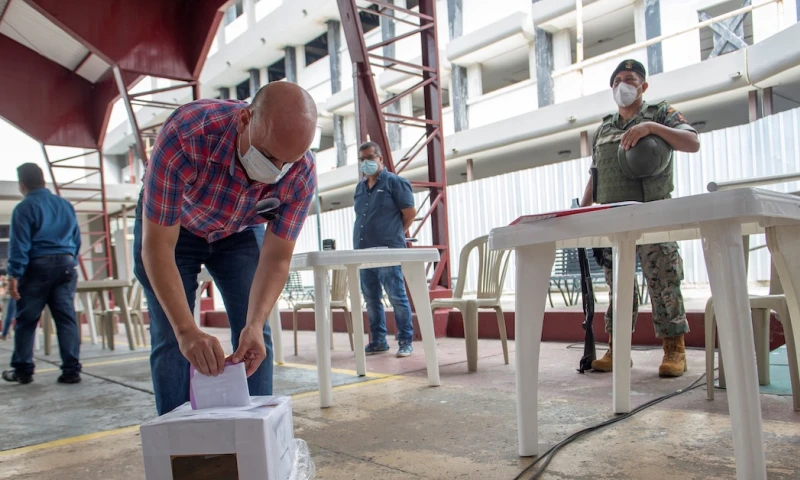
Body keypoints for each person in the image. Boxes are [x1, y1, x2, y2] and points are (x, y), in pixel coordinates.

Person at [135, 82, 318, 415]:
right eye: (268, 157)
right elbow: (158, 246)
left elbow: (277, 258)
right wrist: (187, 330)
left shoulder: (302, 174)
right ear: (245, 120)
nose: (274, 173)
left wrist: (255, 322)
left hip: (239, 230)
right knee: (171, 335)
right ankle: (178, 438)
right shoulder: (188, 133)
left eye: (287, 163)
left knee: (255, 333)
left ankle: (256, 430)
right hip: (175, 225)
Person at [579, 59, 700, 378]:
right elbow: (596, 174)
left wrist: (651, 129)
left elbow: (692, 142)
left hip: (653, 213)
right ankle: (617, 349)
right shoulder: (604, 128)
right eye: (617, 80)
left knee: (663, 280)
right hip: (614, 218)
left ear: (643, 86)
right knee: (618, 287)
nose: (623, 85)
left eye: (630, 79)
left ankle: (674, 349)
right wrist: (580, 210)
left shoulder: (660, 114)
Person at [2, 163, 82, 385]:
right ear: (43, 180)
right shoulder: (65, 205)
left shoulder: (24, 208)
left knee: (27, 320)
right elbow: (76, 239)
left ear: (22, 184)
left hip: (37, 267)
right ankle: (71, 371)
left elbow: (19, 246)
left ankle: (23, 370)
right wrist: (69, 262)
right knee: (66, 319)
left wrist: (13, 276)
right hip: (66, 266)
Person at [353, 142, 416, 357]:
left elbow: (409, 214)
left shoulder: (395, 182)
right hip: (363, 252)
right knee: (371, 299)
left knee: (396, 297)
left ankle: (405, 341)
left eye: (370, 157)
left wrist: (393, 234)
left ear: (380, 159)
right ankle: (378, 341)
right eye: (362, 159)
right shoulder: (360, 188)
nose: (366, 163)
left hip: (388, 251)